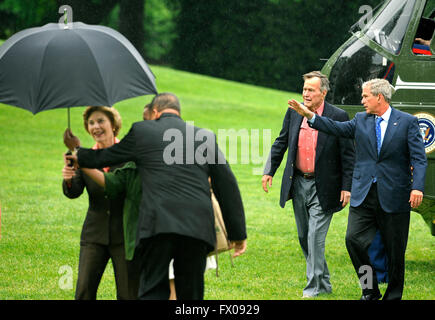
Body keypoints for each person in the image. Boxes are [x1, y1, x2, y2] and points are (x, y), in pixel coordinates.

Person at [64, 92, 247, 300]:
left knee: (152, 291)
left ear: (155, 111)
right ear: (178, 112)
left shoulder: (143, 131)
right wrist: (238, 233)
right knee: (191, 296)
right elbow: (228, 186)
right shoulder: (203, 136)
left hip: (156, 226)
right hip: (196, 228)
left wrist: (77, 151)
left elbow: (107, 156)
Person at [288, 78, 427, 300]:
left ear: (379, 97)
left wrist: (417, 187)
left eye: (365, 96)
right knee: (353, 241)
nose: (362, 100)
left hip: (395, 197)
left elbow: (419, 160)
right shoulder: (361, 120)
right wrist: (309, 115)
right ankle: (369, 290)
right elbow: (335, 127)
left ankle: (393, 296)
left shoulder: (407, 122)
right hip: (363, 195)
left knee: (395, 252)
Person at [262, 71, 355, 298]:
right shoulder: (294, 112)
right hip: (298, 184)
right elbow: (281, 141)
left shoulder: (338, 116)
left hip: (325, 186)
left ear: (323, 92)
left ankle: (312, 288)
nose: (306, 93)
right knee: (304, 236)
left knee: (315, 237)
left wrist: (347, 186)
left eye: (311, 90)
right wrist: (269, 171)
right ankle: (323, 283)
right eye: (304, 89)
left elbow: (348, 155)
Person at [62, 106, 136, 300]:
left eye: (100, 121)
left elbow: (123, 187)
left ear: (113, 124)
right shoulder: (84, 156)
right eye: (91, 123)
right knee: (84, 292)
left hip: (124, 236)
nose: (96, 127)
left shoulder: (129, 154)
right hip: (94, 234)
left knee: (129, 295)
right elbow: (74, 192)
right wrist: (69, 178)